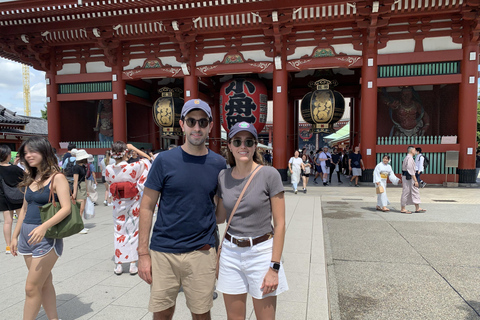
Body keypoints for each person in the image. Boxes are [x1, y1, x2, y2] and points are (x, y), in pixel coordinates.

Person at [138, 99, 226, 320]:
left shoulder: (218, 163)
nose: (197, 127)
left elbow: (219, 214)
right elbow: (147, 206)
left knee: (201, 313)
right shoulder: (164, 161)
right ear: (182, 124)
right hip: (164, 250)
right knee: (162, 313)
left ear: (210, 126)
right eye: (191, 121)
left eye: (203, 122)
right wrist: (142, 254)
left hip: (202, 251)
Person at [216, 121, 288, 319]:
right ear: (229, 145)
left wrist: (274, 267)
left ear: (255, 145)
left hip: (261, 251)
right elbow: (220, 217)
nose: (243, 146)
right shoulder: (223, 176)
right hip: (231, 252)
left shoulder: (269, 174)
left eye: (249, 141)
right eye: (237, 141)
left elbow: (280, 224)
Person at [10, 137, 71, 320]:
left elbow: (67, 208)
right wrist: (14, 236)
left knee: (31, 287)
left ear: (44, 152)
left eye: (32, 151)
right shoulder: (31, 177)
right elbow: (24, 210)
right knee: (44, 282)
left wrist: (44, 226)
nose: (28, 156)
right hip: (26, 236)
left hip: (46, 236)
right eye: (25, 153)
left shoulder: (57, 177)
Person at [106, 141, 151, 275]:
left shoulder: (109, 169)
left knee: (118, 232)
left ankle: (119, 265)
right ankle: (132, 264)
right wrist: (134, 148)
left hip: (118, 204)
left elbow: (109, 182)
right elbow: (149, 161)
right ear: (126, 153)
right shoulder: (134, 167)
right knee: (133, 231)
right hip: (133, 204)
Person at [0, 145, 25, 254]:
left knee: (7, 221)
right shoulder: (15, 169)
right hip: (16, 197)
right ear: (7, 155)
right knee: (21, 219)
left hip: (2, 197)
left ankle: (8, 246)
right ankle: (22, 242)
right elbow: (26, 177)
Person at [400, 146, 426, 214]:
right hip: (408, 177)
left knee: (414, 191)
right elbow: (410, 170)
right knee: (406, 191)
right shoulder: (409, 158)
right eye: (414, 150)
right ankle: (403, 208)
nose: (415, 151)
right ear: (412, 151)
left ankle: (417, 207)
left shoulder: (409, 158)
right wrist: (416, 180)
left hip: (408, 177)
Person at [71, 149, 90, 234]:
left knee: (83, 207)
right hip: (78, 187)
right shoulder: (76, 167)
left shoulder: (83, 167)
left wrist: (87, 189)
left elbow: (85, 178)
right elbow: (75, 180)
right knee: (80, 208)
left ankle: (81, 224)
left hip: (82, 186)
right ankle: (79, 226)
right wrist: (74, 193)